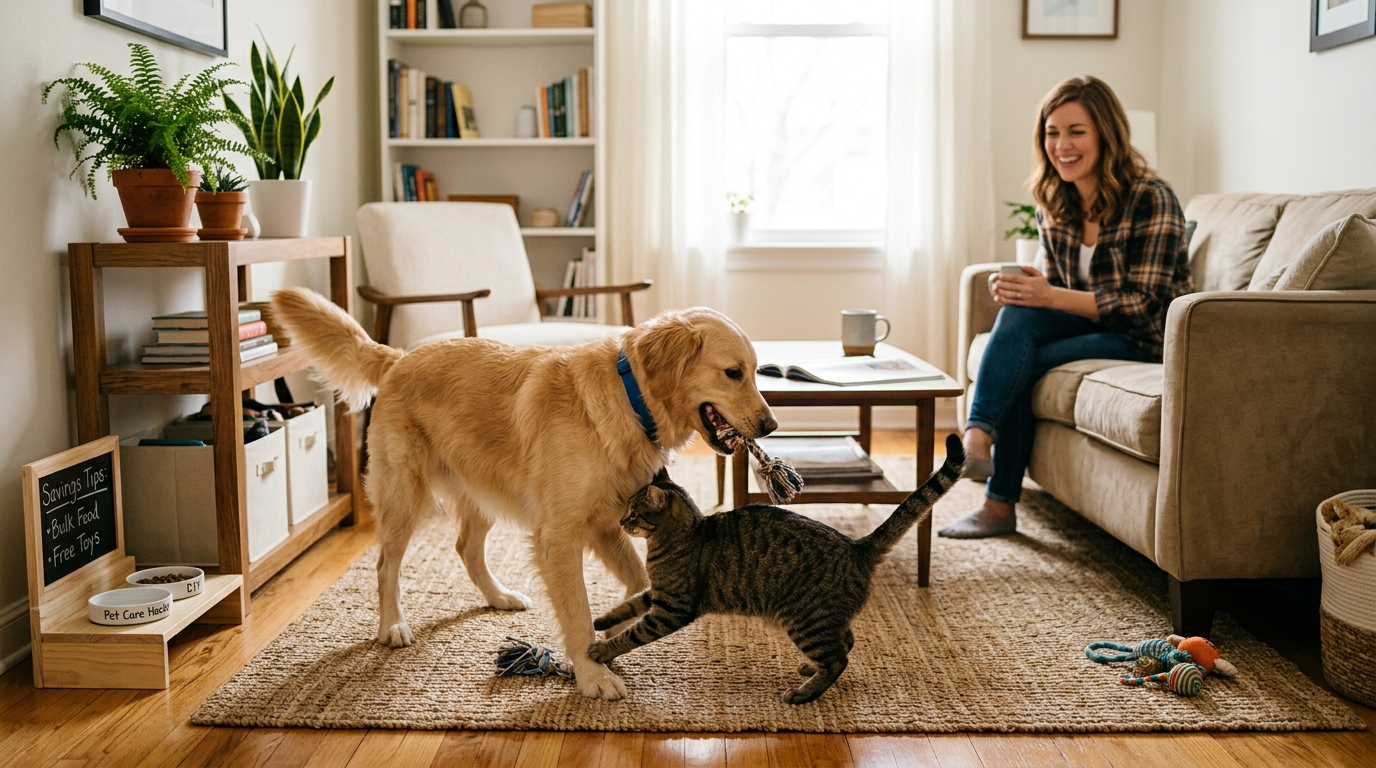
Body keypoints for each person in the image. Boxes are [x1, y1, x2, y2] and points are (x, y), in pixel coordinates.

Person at [938, 76, 1192, 539]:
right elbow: (1058, 289)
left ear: (1106, 135)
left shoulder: (1151, 197)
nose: (1062, 145)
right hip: (1090, 325)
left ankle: (994, 495)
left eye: (1077, 131)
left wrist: (1049, 297)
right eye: (1052, 133)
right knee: (1018, 316)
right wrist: (1031, 289)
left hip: (1146, 337)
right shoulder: (1055, 197)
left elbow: (1145, 306)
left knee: (1025, 361)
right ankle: (979, 444)